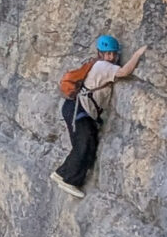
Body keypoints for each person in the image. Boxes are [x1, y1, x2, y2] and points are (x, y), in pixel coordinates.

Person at [53, 35, 146, 197]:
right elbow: (124, 72)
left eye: (113, 54)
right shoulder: (103, 66)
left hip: (77, 109)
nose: (111, 57)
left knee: (87, 143)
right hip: (79, 110)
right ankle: (69, 180)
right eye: (107, 53)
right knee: (84, 143)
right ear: (100, 54)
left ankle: (61, 173)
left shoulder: (99, 65)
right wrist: (137, 55)